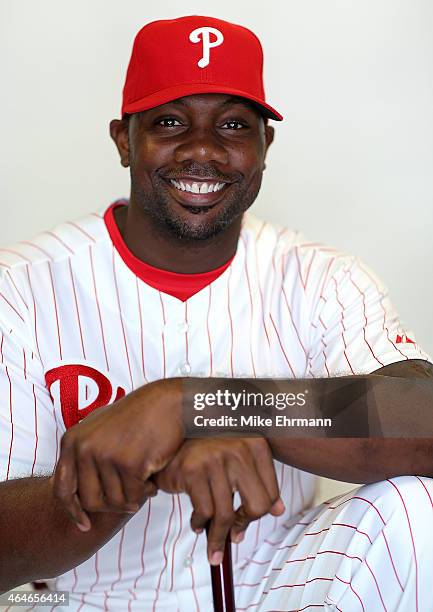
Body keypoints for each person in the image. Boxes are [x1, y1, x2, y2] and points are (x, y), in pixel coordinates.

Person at [1, 14, 433, 612]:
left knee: (416, 508)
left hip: (280, 584)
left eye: (232, 124)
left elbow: (424, 417)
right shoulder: (19, 289)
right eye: (170, 122)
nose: (203, 149)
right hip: (85, 596)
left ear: (265, 145)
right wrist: (140, 468)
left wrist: (198, 405)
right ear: (123, 138)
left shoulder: (322, 278)